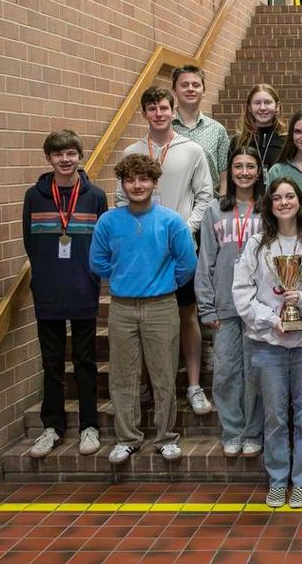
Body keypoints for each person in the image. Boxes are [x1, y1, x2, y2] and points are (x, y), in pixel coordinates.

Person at [231, 179, 302, 509]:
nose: (283, 202)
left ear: (299, 201)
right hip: (268, 344)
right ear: (269, 204)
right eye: (277, 197)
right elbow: (242, 293)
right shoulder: (256, 245)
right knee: (275, 417)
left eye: (289, 196)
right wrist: (271, 319)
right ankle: (278, 479)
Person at [90, 154, 197, 464]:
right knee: (122, 376)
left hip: (162, 305)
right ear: (122, 184)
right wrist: (124, 278)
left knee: (164, 374)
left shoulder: (171, 220)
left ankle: (166, 438)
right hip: (122, 307)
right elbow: (97, 261)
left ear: (154, 182)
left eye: (143, 179)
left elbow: (187, 263)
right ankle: (128, 438)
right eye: (130, 180)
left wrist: (161, 282)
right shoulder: (109, 221)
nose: (137, 185)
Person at [117, 86, 214, 417]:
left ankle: (194, 384)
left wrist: (186, 229)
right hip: (144, 253)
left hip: (181, 248)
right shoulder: (131, 151)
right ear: (143, 113)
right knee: (144, 318)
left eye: (163, 107)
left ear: (173, 110)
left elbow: (205, 196)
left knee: (187, 313)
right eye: (151, 108)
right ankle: (149, 385)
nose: (158, 113)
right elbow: (120, 200)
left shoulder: (192, 150)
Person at [22, 129, 109, 458]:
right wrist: (46, 273)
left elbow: (101, 244)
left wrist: (89, 274)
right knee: (52, 362)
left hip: (83, 288)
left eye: (71, 153)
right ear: (49, 159)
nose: (65, 159)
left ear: (80, 156)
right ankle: (52, 426)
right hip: (48, 290)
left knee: (86, 361)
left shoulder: (95, 195)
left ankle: (89, 425)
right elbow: (30, 243)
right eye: (58, 154)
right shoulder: (34, 196)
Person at [196, 146, 266, 459]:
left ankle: (253, 431)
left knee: (255, 372)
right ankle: (232, 430)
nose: (244, 172)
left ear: (259, 171)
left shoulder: (267, 209)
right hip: (223, 305)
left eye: (251, 166)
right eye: (238, 166)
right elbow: (206, 260)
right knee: (225, 372)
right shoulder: (215, 209)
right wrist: (206, 305)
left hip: (258, 306)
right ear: (230, 172)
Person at [172, 65, 230, 197]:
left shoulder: (217, 130)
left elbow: (225, 175)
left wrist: (220, 206)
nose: (191, 89)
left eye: (196, 85)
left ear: (203, 90)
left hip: (209, 206)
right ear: (174, 89)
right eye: (184, 85)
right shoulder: (165, 127)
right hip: (173, 205)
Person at [231, 83, 287, 172]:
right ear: (249, 107)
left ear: (277, 107)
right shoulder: (237, 141)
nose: (262, 108)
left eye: (267, 102)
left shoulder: (287, 141)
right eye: (257, 103)